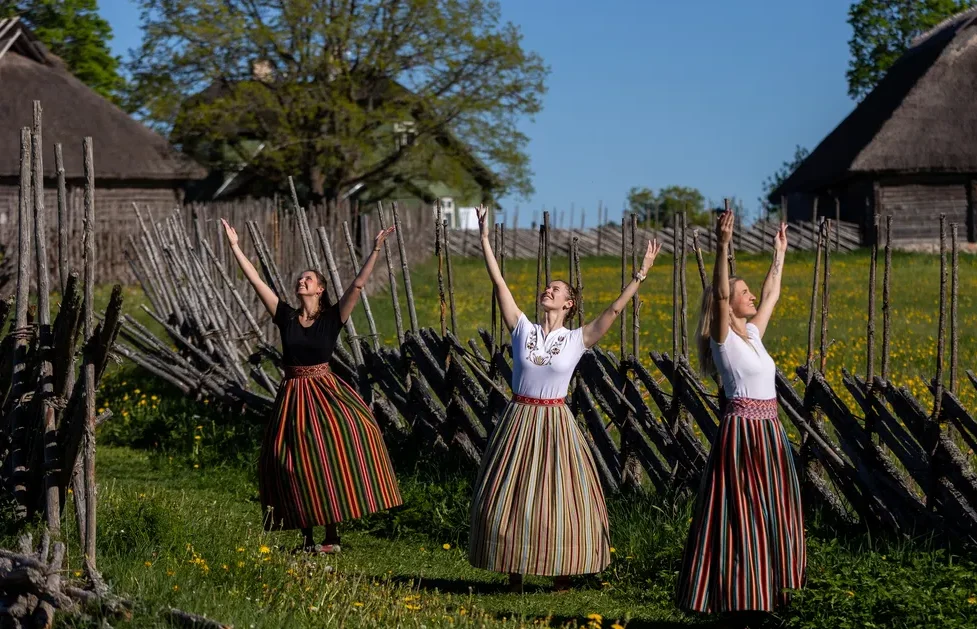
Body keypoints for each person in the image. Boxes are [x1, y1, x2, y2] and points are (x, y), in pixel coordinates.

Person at [468, 205, 662, 591]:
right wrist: (486, 239)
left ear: (569, 304)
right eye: (547, 287)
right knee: (512, 493)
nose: (548, 290)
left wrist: (640, 274)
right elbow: (499, 284)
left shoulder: (576, 339)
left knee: (560, 498)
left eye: (556, 289)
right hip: (519, 418)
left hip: (555, 421)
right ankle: (513, 570)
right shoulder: (522, 328)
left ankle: (562, 573)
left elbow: (614, 310)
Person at [221, 218, 403, 554]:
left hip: (325, 392)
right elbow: (256, 281)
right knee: (289, 461)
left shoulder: (333, 317)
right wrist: (235, 247)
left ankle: (331, 536)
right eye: (300, 278)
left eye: (309, 278)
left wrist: (376, 248)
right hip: (292, 396)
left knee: (327, 456)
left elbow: (358, 285)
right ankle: (305, 535)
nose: (301, 280)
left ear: (320, 289)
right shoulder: (286, 316)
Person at [676, 209, 805, 622]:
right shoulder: (723, 338)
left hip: (770, 433)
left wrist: (779, 254)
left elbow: (772, 295)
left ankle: (769, 596)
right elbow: (716, 294)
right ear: (728, 303)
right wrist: (722, 245)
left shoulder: (751, 335)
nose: (750, 296)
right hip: (743, 436)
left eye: (749, 290)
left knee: (771, 512)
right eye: (742, 291)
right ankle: (739, 600)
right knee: (742, 515)